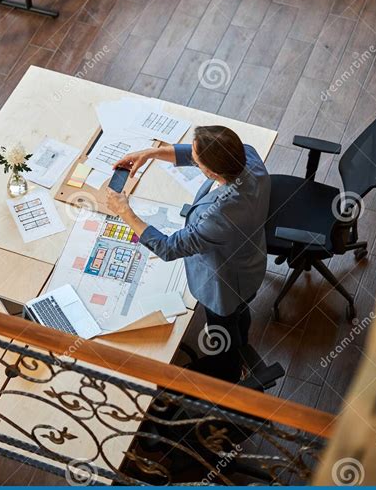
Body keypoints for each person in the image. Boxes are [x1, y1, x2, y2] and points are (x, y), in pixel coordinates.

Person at [106, 125, 271, 383]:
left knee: (223, 324)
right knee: (239, 312)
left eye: (197, 159)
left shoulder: (221, 215)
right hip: (251, 263)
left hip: (225, 286)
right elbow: (206, 154)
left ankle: (227, 372)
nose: (193, 159)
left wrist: (125, 212)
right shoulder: (249, 158)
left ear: (211, 172)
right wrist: (150, 153)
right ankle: (239, 339)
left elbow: (169, 248)